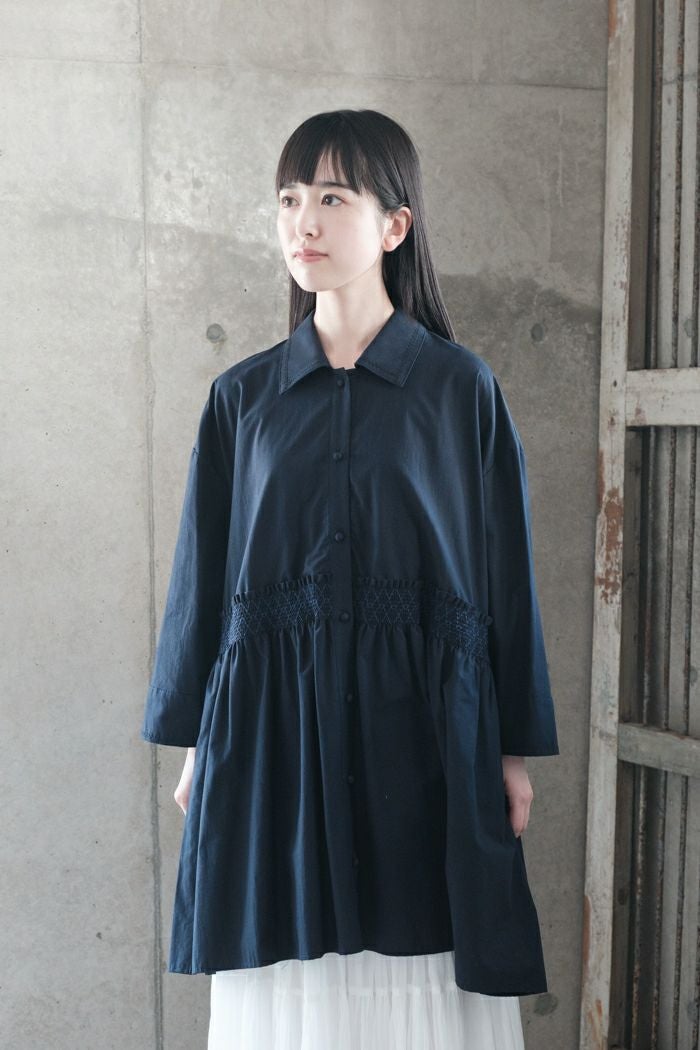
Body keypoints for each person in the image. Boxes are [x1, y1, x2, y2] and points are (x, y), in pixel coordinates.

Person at [140, 108, 560, 1050]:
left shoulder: (460, 390)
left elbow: (507, 577)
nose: (304, 223)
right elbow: (202, 580)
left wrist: (513, 751)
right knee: (288, 944)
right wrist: (199, 741)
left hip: (426, 727)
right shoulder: (242, 400)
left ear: (395, 225)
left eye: (333, 198)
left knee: (423, 936)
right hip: (273, 734)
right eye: (290, 199)